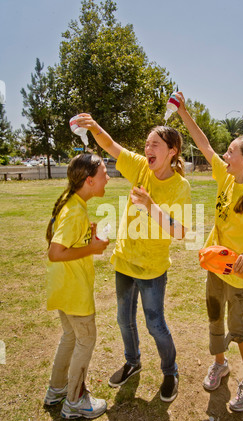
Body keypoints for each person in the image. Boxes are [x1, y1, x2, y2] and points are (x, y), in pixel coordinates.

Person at [176, 92, 243, 411]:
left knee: (238, 330)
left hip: (237, 278)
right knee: (214, 320)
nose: (225, 154)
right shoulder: (225, 176)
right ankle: (220, 364)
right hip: (215, 268)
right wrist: (184, 113)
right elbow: (204, 143)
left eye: (231, 151)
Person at [76, 114, 192, 402]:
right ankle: (133, 361)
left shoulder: (180, 187)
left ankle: (170, 371)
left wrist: (152, 207)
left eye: (155, 144)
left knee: (156, 325)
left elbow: (181, 232)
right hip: (125, 260)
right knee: (123, 320)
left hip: (152, 268)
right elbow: (111, 146)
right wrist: (93, 127)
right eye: (146, 144)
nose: (148, 149)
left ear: (172, 151)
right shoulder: (141, 166)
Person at [44, 153, 110, 419]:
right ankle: (75, 401)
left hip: (64, 288)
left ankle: (57, 390)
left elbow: (68, 243)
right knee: (86, 340)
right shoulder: (73, 211)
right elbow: (55, 252)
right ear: (90, 180)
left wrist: (88, 239)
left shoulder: (74, 204)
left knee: (70, 337)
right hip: (75, 291)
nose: (108, 177)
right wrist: (92, 247)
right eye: (105, 173)